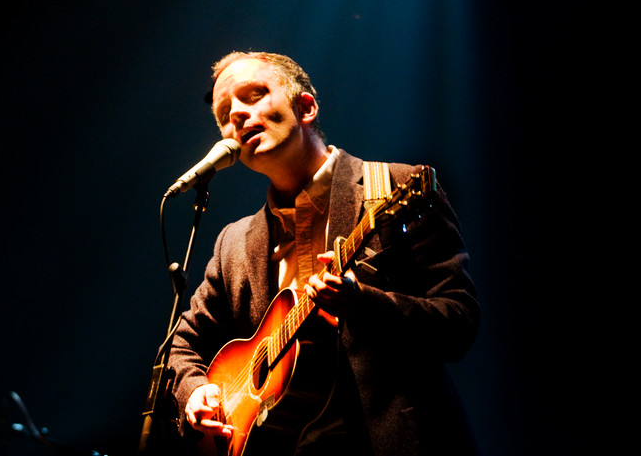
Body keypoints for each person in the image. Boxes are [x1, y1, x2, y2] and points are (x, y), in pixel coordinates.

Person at [167, 51, 480, 456]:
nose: (238, 116)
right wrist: (194, 393)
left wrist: (361, 303)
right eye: (225, 113)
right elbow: (181, 345)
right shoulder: (234, 243)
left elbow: (459, 324)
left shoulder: (394, 187)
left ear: (306, 106)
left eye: (253, 95)